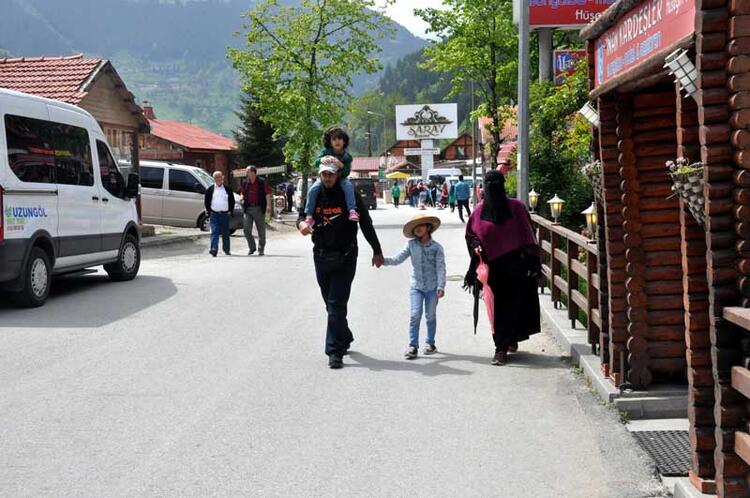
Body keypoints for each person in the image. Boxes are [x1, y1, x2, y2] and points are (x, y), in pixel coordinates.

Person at [297, 162, 384, 369]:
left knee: (336, 304)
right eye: (324, 174)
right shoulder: (315, 192)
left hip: (345, 256)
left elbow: (365, 223)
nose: (327, 178)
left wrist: (377, 250)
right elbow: (302, 215)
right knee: (330, 304)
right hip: (321, 255)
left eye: (331, 174)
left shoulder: (348, 194)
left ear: (337, 175)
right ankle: (343, 335)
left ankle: (334, 351)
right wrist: (301, 224)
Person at [464, 170, 541, 366]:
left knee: (514, 305)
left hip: (516, 266)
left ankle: (506, 343)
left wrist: (533, 262)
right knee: (496, 308)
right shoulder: (479, 211)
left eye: (496, 183)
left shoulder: (517, 207)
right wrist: (475, 246)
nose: (492, 187)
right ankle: (501, 346)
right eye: (489, 184)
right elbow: (471, 235)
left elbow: (528, 234)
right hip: (492, 268)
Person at [382, 214, 446, 359]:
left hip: (432, 287)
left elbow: (441, 268)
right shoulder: (411, 245)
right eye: (415, 227)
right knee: (415, 315)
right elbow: (397, 259)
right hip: (416, 286)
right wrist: (383, 261)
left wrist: (441, 286)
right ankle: (413, 346)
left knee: (430, 316)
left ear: (428, 227)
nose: (418, 229)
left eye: (421, 226)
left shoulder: (437, 248)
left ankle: (430, 343)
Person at [304, 127, 358, 225]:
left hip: (340, 178)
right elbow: (315, 163)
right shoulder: (325, 152)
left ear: (344, 141)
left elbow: (346, 173)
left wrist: (341, 165)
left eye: (340, 139)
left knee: (349, 186)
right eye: (334, 139)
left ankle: (352, 211)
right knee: (312, 190)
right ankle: (309, 215)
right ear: (330, 142)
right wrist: (321, 160)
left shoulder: (347, 157)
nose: (337, 141)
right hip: (323, 178)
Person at [241, 165, 271, 256]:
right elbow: (242, 192)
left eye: (248, 172)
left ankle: (261, 249)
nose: (246, 173)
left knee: (261, 231)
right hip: (248, 208)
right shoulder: (245, 182)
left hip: (259, 208)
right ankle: (252, 247)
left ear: (253, 172)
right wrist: (242, 198)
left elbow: (267, 194)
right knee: (246, 230)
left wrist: (268, 205)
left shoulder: (262, 182)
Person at [204, 170, 235, 257]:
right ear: (214, 179)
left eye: (219, 177)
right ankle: (214, 249)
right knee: (214, 232)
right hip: (214, 214)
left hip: (225, 214)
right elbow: (206, 201)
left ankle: (226, 249)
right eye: (216, 177)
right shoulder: (210, 189)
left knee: (225, 233)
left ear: (223, 178)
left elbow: (231, 200)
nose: (218, 179)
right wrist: (209, 210)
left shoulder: (227, 189)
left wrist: (230, 210)